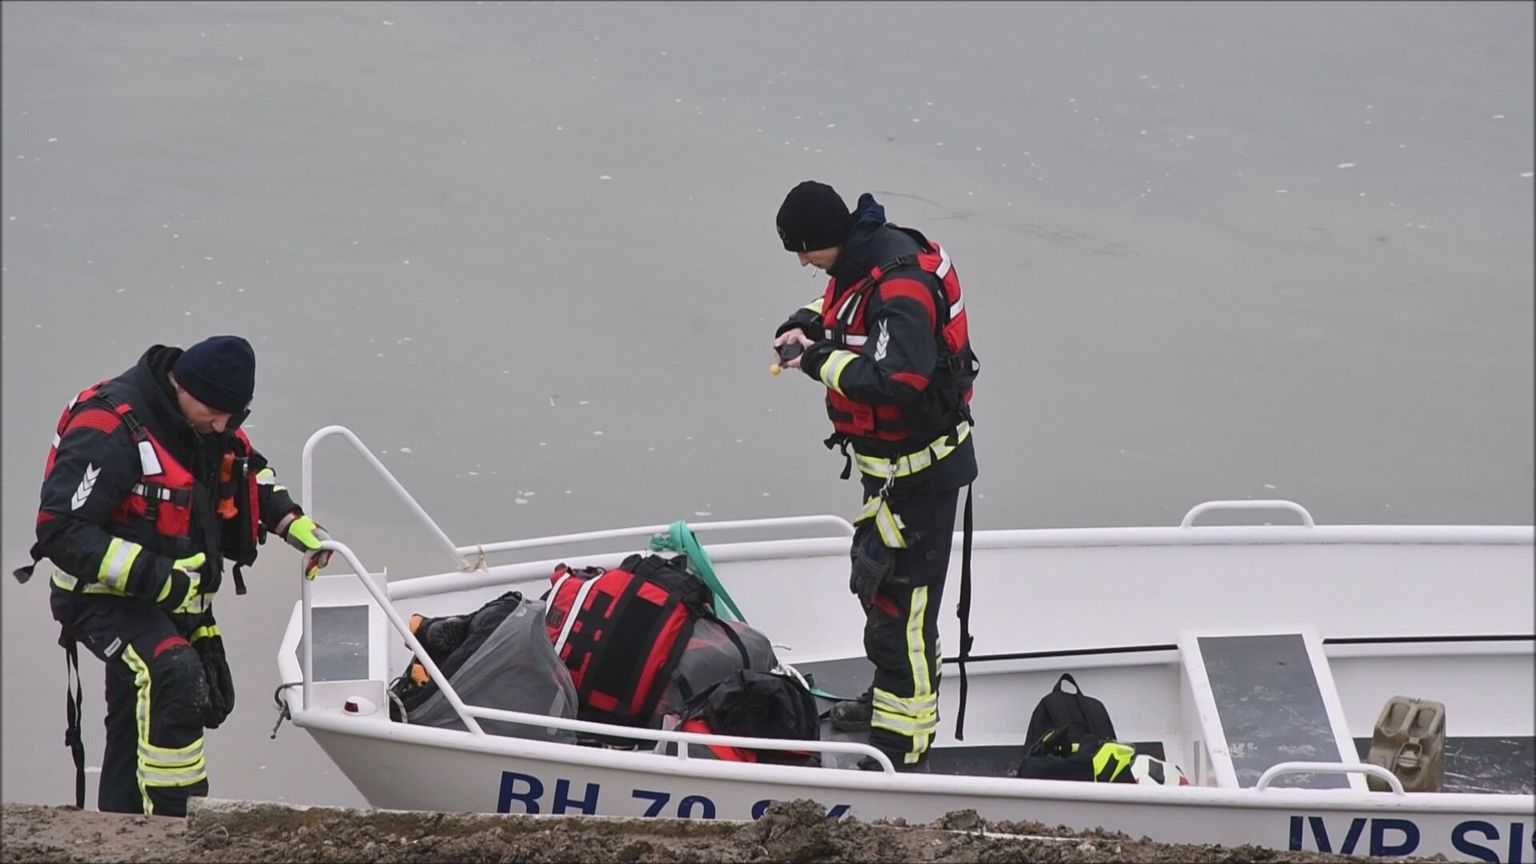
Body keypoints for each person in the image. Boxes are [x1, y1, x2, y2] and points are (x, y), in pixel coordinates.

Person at [13, 335, 339, 816]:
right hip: (99, 598)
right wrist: (161, 576)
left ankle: (120, 822)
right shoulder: (108, 429)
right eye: (216, 412)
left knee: (135, 716)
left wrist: (290, 521)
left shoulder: (206, 422)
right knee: (173, 675)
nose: (223, 425)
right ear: (182, 386)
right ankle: (174, 822)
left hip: (170, 599)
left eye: (234, 416)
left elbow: (247, 471)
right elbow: (60, 531)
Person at [771, 180, 980, 772]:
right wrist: (803, 323)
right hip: (890, 474)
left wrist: (813, 359)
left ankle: (901, 749)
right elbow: (841, 306)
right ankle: (892, 700)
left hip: (920, 477)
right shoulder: (866, 257)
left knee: (903, 612)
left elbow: (897, 378)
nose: (803, 262)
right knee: (886, 598)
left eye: (803, 250)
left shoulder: (900, 284)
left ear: (825, 237)